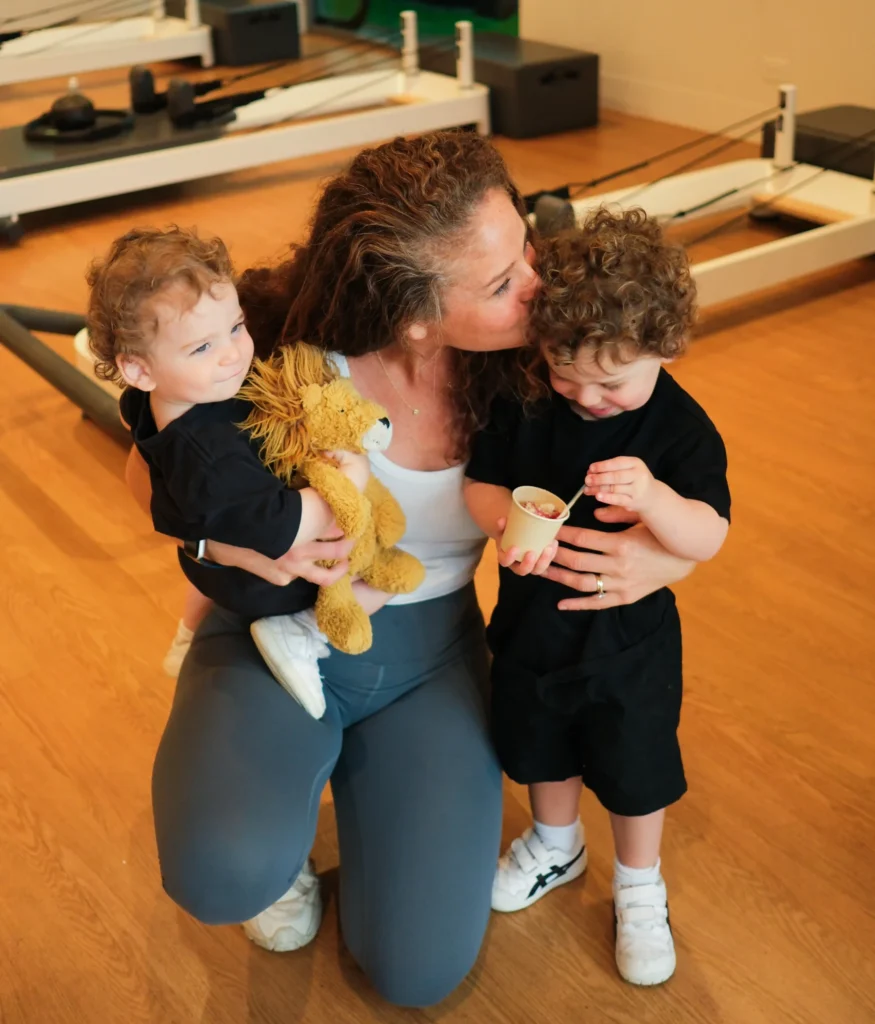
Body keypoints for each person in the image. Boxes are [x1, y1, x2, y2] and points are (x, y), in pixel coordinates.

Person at [129, 130, 699, 1008]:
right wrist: (228, 545)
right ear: (415, 316)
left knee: (416, 972)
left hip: (430, 651)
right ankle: (279, 827)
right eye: (504, 282)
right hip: (281, 631)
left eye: (526, 248)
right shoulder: (273, 346)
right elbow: (150, 470)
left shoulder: (550, 361)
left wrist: (657, 563)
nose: (538, 286)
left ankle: (347, 784)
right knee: (222, 874)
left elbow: (665, 452)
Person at [464, 208, 731, 987]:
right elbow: (480, 484)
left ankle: (639, 883)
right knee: (539, 738)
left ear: (664, 347)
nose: (586, 398)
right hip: (532, 624)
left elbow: (707, 534)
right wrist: (503, 529)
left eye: (611, 382)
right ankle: (556, 843)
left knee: (633, 763)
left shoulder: (680, 432)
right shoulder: (528, 402)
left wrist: (653, 501)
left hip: (629, 648)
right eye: (562, 372)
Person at [87, 226, 371, 708]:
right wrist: (350, 479)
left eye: (236, 327)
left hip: (211, 558)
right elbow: (286, 526)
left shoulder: (159, 396)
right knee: (383, 578)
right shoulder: (208, 457)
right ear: (138, 368)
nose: (234, 353)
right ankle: (298, 632)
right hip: (269, 586)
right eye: (201, 347)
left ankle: (189, 634)